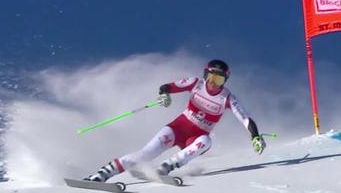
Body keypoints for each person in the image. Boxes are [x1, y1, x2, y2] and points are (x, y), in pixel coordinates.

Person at [84, 59, 266, 182]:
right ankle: (103, 174)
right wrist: (164, 95)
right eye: (211, 78)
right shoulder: (195, 83)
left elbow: (245, 119)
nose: (212, 83)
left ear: (225, 80)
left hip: (195, 138)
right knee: (146, 154)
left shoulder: (228, 98)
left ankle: (166, 167)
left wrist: (255, 137)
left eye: (218, 80)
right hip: (177, 128)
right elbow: (167, 86)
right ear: (205, 75)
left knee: (206, 141)